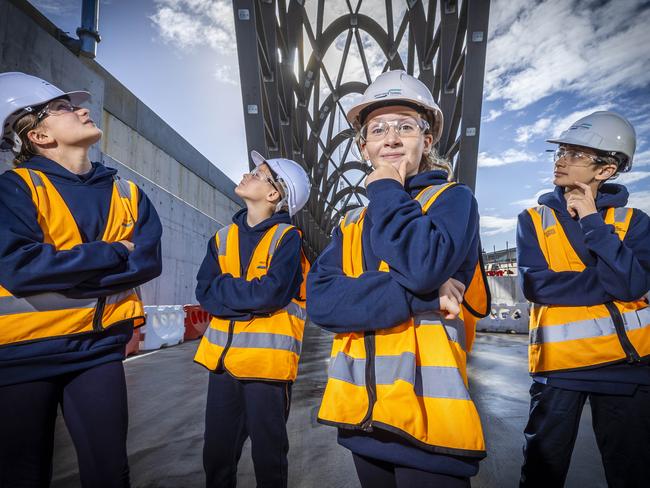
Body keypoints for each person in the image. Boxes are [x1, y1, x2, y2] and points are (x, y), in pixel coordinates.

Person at [307, 70, 490, 488]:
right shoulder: (352, 223)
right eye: (378, 129)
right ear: (364, 146)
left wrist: (388, 187)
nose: (390, 138)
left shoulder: (453, 201)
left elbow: (423, 263)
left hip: (428, 423)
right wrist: (425, 297)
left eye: (405, 127)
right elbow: (321, 301)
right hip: (363, 423)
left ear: (427, 140)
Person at [0, 72, 162, 487]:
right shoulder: (15, 189)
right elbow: (18, 267)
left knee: (110, 472)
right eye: (64, 108)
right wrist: (110, 253)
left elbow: (147, 262)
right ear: (38, 135)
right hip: (22, 357)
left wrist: (63, 269)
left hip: (97, 350)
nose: (82, 110)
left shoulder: (128, 193)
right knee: (22, 475)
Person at [516, 111, 650, 487]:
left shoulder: (634, 222)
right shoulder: (534, 219)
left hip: (627, 369)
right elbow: (539, 287)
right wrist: (615, 279)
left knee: (633, 474)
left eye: (575, 154)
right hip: (560, 368)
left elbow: (629, 284)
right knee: (541, 473)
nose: (561, 160)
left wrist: (592, 220)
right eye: (561, 152)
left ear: (605, 170)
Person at [194, 150, 311, 488]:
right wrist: (248, 299)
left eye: (260, 174)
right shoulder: (221, 238)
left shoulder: (287, 239)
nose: (248, 174)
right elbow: (205, 292)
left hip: (266, 367)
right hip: (224, 365)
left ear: (274, 194)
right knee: (217, 454)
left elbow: (270, 294)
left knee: (268, 455)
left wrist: (228, 295)